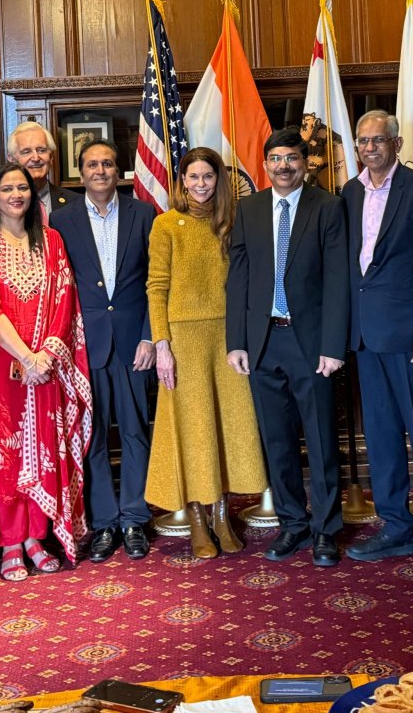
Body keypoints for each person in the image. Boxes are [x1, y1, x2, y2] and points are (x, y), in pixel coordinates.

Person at [226, 127, 349, 568]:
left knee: (320, 442)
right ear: (266, 164)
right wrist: (236, 341)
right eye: (276, 159)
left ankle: (325, 530)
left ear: (305, 162)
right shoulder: (250, 209)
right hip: (262, 343)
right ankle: (293, 524)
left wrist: (333, 345)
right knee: (276, 443)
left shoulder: (329, 208)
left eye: (291, 158)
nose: (283, 166)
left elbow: (338, 280)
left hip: (312, 345)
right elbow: (238, 278)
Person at [0, 163, 93, 579]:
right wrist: (23, 356)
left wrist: (46, 357)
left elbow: (64, 301)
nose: (16, 194)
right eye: (7, 188)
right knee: (4, 452)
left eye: (22, 187)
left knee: (41, 448)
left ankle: (37, 537)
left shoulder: (51, 241)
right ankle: (10, 543)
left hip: (45, 365)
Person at [340, 110, 413, 573]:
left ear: (396, 143)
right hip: (366, 335)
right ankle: (394, 527)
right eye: (363, 140)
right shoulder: (348, 191)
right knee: (381, 437)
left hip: (409, 336)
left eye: (378, 140)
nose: (370, 147)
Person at [144, 147, 267, 557]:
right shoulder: (166, 225)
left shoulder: (232, 221)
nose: (200, 185)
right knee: (194, 431)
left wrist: (244, 338)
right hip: (183, 341)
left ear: (219, 180)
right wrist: (162, 345)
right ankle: (197, 519)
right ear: (182, 181)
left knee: (226, 428)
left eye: (208, 177)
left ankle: (221, 514)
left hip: (226, 337)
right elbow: (156, 287)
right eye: (193, 177)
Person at [50, 139, 155, 562]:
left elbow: (155, 281)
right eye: (92, 164)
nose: (100, 171)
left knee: (134, 432)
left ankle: (133, 518)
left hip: (134, 344)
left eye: (108, 164)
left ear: (120, 171)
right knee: (90, 437)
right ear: (80, 173)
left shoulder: (144, 214)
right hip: (84, 346)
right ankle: (105, 523)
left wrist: (150, 335)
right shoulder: (61, 220)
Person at [6, 121, 72, 217]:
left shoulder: (75, 203)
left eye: (41, 150)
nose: (36, 158)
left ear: (51, 156)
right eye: (26, 152)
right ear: (11, 159)